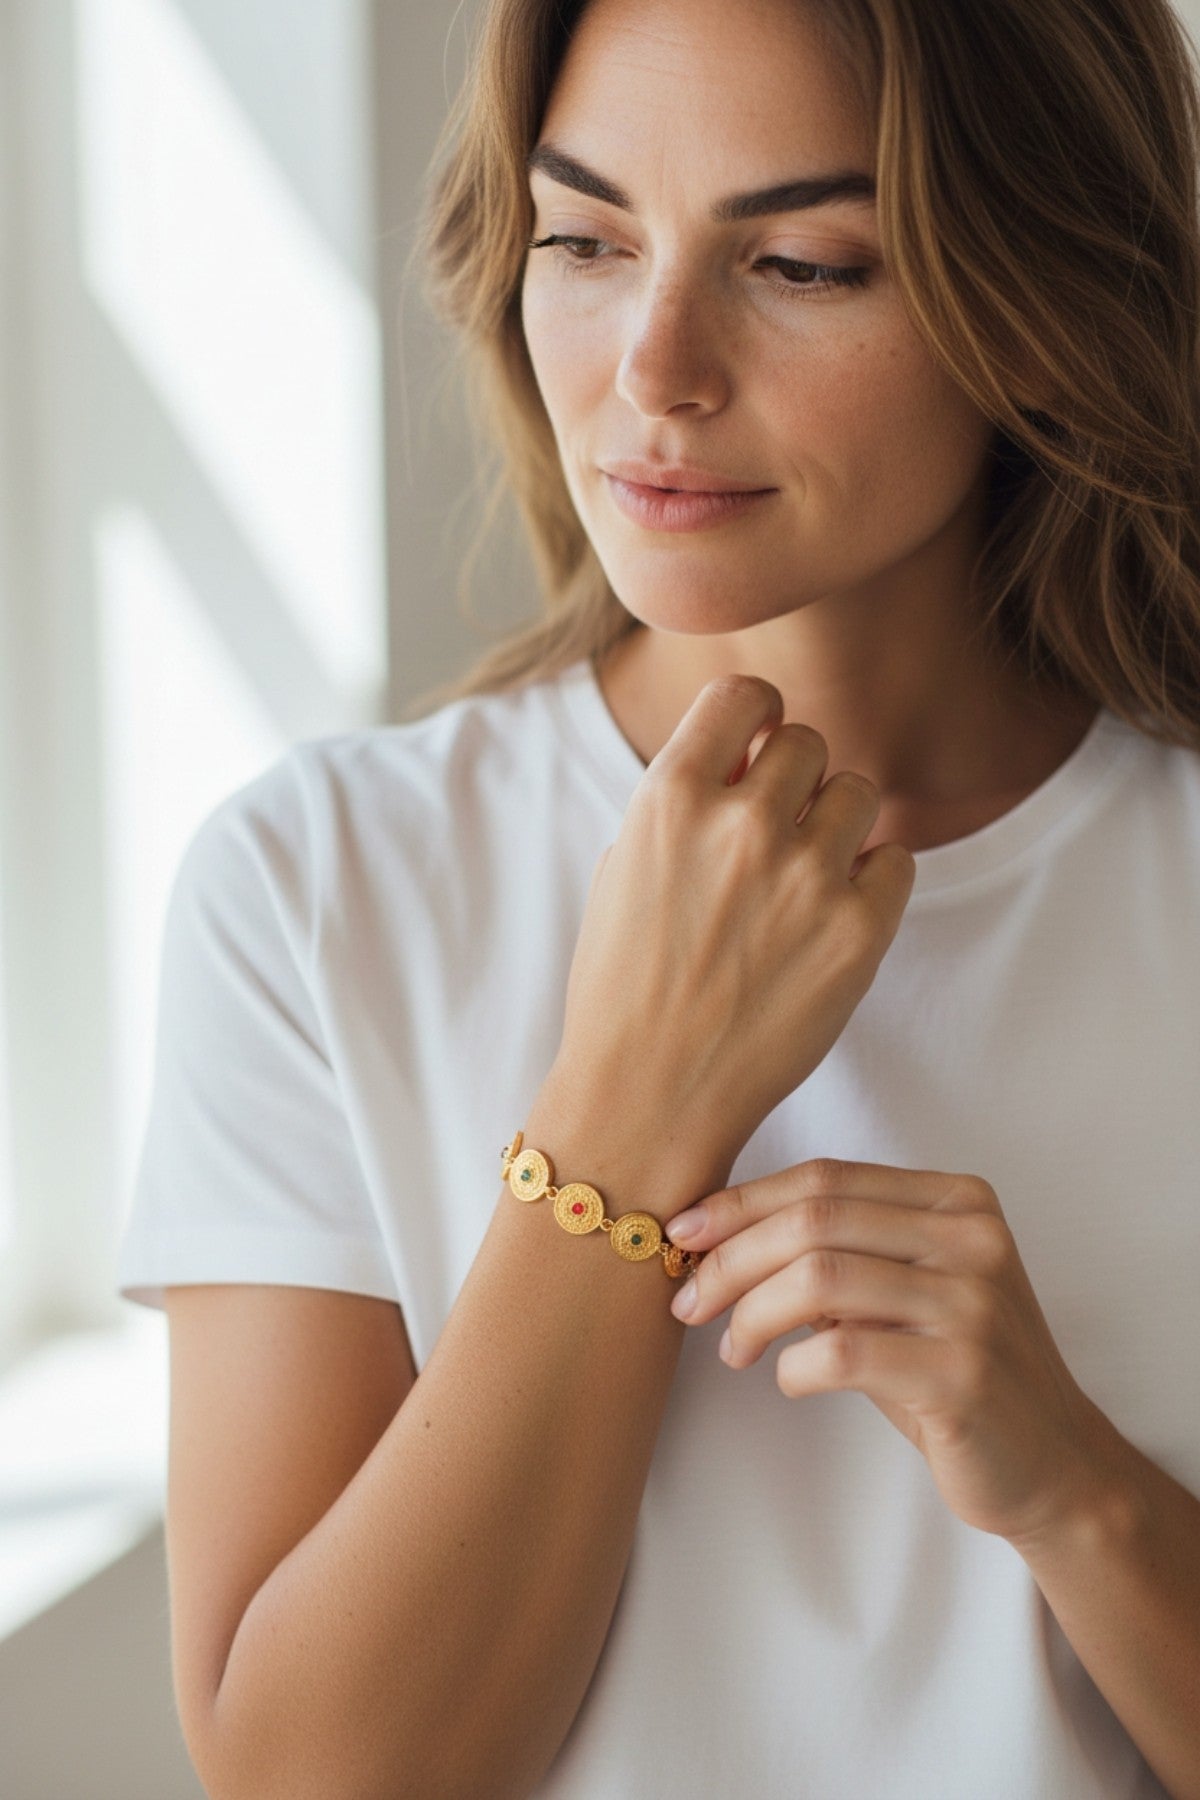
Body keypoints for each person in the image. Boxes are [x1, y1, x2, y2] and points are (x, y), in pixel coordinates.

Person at [114, 0, 1200, 1795]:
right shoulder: (314, 890)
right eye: (587, 240)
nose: (657, 365)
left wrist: (1072, 1485)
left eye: (800, 262)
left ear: (1043, 299)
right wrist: (627, 1116)